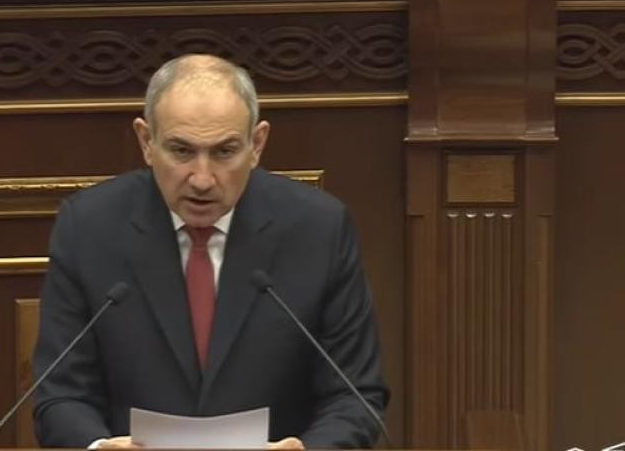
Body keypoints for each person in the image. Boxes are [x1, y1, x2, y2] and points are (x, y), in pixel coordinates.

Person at [33, 54, 389, 449]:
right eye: (181, 151)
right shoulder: (89, 228)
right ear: (146, 141)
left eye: (224, 152)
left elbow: (355, 396)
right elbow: (60, 394)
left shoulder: (318, 229)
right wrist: (99, 446)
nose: (202, 179)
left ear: (257, 144)